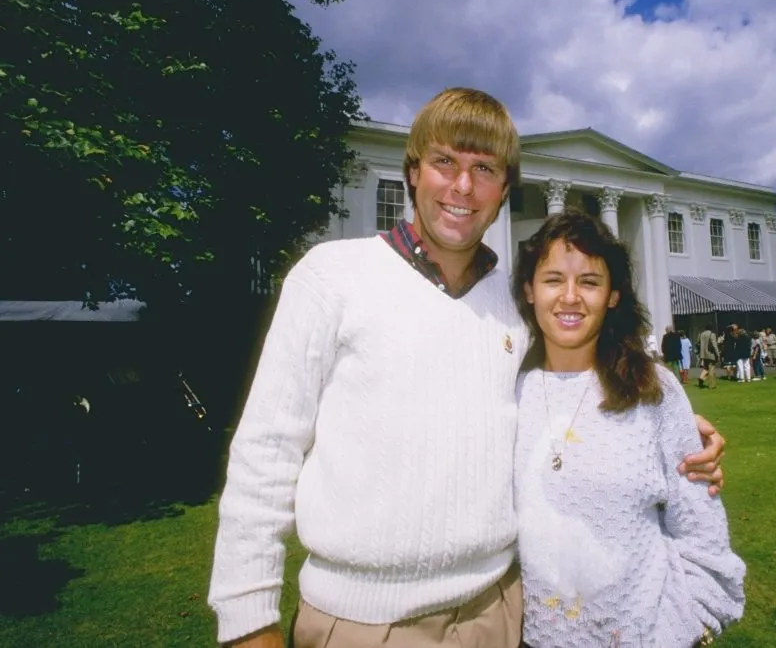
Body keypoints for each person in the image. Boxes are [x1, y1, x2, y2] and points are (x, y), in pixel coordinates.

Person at [207, 88, 727, 648]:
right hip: (363, 621)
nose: (462, 186)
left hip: (501, 615)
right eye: (444, 162)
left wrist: (669, 425)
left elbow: (569, 385)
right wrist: (248, 619)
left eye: (483, 169)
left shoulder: (514, 308)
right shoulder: (331, 277)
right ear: (413, 173)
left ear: (504, 189)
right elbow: (265, 452)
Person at [512, 210, 745, 647]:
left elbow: (703, 535)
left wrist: (682, 629)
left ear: (613, 296)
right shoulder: (508, 391)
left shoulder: (655, 391)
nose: (569, 297)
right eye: (552, 279)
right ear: (529, 290)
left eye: (589, 281)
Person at [698, 323, 721, 389]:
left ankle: (701, 378)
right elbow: (714, 345)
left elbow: (698, 343)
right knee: (711, 369)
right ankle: (711, 385)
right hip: (711, 354)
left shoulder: (701, 334)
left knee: (706, 368)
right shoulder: (712, 334)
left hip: (703, 354)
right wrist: (718, 354)